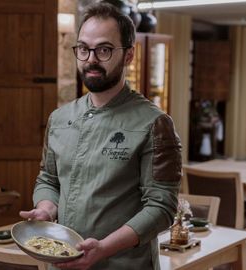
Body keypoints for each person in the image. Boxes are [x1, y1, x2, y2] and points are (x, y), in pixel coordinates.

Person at [20, 2, 182, 269]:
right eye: (83, 49)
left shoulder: (155, 123)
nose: (91, 59)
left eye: (104, 50)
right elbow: (48, 179)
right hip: (60, 261)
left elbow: (161, 209)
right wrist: (46, 209)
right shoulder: (59, 119)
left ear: (128, 55)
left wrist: (104, 248)